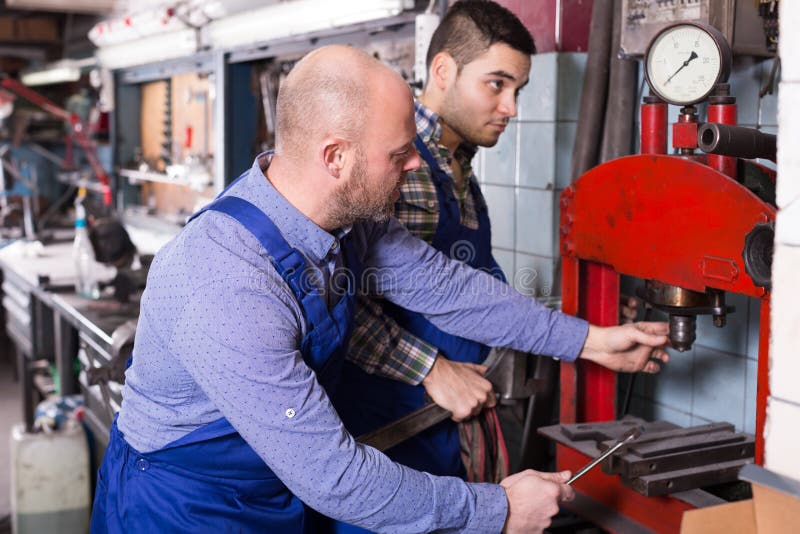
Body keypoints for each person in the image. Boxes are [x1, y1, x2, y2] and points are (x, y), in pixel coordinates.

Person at [90, 45, 668, 534]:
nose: (417, 165)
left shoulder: (346, 219)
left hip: (271, 489)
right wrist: (499, 509)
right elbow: (336, 477)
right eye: (399, 153)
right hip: (183, 507)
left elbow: (447, 288)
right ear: (336, 157)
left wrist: (588, 340)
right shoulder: (227, 285)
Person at [333, 0, 644, 504]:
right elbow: (338, 296)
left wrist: (580, 323)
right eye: (496, 84)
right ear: (443, 70)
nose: (511, 108)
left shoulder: (458, 167)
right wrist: (430, 368)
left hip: (449, 424)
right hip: (389, 427)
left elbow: (474, 291)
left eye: (517, 89)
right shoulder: (400, 168)